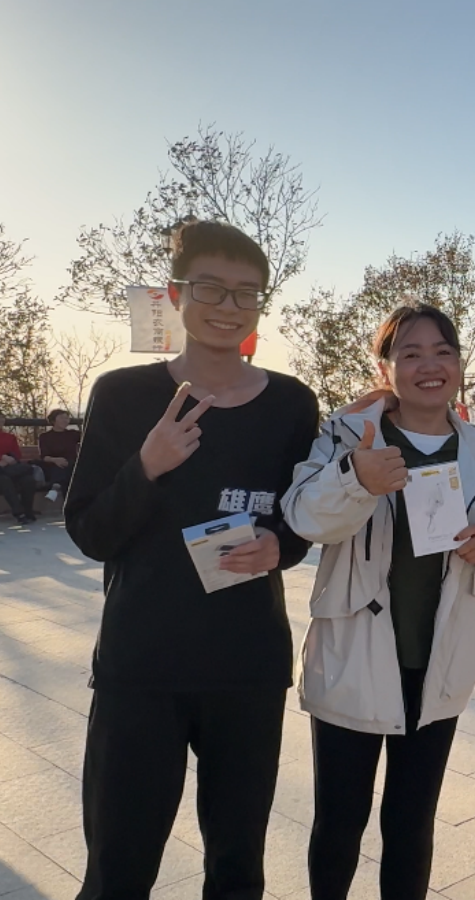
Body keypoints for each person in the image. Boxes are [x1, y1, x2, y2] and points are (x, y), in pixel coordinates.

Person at [65, 220, 319, 900]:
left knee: (237, 869)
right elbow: (89, 530)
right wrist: (146, 465)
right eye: (210, 287)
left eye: (246, 292)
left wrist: (283, 546)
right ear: (176, 294)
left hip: (246, 666)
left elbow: (299, 514)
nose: (228, 306)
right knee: (117, 870)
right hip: (141, 667)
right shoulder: (123, 395)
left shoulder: (292, 404)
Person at [281, 305, 475, 900]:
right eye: (411, 354)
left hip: (438, 659)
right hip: (353, 655)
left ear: (460, 364)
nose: (429, 366)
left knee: (412, 824)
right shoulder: (346, 436)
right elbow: (303, 516)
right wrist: (355, 478)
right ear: (385, 368)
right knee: (339, 821)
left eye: (443, 352)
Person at [0, 411, 38, 525]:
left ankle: (27, 510)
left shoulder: (10, 437)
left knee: (28, 480)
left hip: (10, 468)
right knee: (4, 480)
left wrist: (10, 459)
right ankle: (19, 513)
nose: (1, 421)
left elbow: (17, 454)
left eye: (2, 418)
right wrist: (1, 458)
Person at [38, 408, 80, 502]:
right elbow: (44, 456)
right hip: (53, 466)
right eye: (61, 418)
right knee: (61, 469)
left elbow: (90, 436)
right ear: (53, 420)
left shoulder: (73, 434)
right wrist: (55, 460)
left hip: (71, 465)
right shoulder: (45, 436)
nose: (65, 420)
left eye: (67, 418)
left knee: (68, 468)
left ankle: (56, 487)